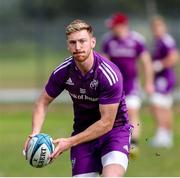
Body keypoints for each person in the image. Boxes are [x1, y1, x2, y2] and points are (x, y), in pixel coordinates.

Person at [23, 19, 131, 177]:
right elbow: (42, 102)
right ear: (68, 45)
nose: (78, 47)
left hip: (114, 132)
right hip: (82, 136)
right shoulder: (63, 72)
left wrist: (69, 142)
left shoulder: (109, 75)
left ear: (92, 42)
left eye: (82, 41)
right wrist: (34, 134)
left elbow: (106, 123)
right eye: (73, 42)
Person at [101, 12, 154, 158]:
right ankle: (113, 142)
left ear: (122, 25)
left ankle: (134, 144)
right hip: (114, 85)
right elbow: (103, 63)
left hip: (131, 85)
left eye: (114, 26)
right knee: (111, 114)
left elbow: (146, 62)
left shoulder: (136, 40)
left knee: (132, 113)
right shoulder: (108, 41)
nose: (112, 29)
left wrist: (149, 82)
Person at [149, 16, 179, 148]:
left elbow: (174, 57)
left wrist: (160, 64)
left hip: (165, 78)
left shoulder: (167, 40)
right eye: (154, 28)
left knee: (156, 104)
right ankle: (166, 136)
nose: (156, 30)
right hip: (161, 78)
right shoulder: (158, 41)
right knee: (165, 107)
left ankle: (162, 134)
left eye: (158, 27)